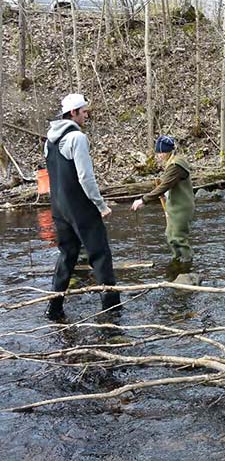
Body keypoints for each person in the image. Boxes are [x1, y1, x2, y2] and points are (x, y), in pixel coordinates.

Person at [44, 94, 119, 321]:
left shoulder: (49, 141)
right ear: (73, 113)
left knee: (67, 255)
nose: (87, 114)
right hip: (80, 207)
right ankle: (111, 311)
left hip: (59, 208)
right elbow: (86, 178)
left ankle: (54, 308)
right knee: (101, 255)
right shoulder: (77, 138)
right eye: (84, 111)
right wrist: (101, 205)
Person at [131, 136, 195, 264]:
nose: (159, 156)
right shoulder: (174, 162)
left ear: (167, 152)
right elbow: (167, 186)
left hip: (181, 207)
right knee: (170, 236)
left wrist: (143, 200)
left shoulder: (176, 165)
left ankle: (187, 265)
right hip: (175, 206)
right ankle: (177, 262)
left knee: (178, 238)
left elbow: (164, 186)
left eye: (160, 152)